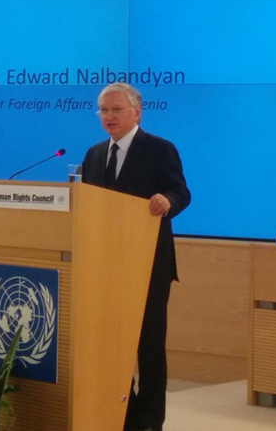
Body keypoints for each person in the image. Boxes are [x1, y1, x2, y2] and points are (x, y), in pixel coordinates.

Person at [82, 83, 191, 431]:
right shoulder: (94, 154)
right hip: (103, 265)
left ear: (136, 113)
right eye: (103, 110)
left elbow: (181, 191)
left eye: (115, 110)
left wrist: (167, 201)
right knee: (111, 344)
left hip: (147, 266)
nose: (109, 116)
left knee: (148, 345)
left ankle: (149, 418)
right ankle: (121, 411)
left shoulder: (159, 149)